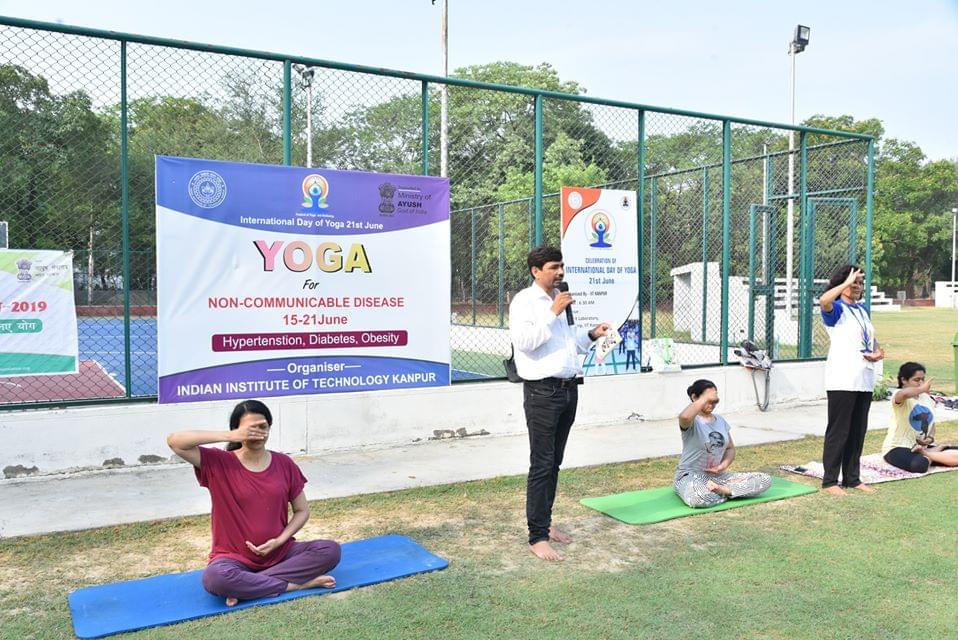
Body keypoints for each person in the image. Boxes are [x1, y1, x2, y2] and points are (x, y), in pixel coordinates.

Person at [167, 399, 341, 606]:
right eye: (250, 429)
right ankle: (295, 585)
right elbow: (175, 441)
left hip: (282, 553)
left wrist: (279, 540)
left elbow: (302, 510)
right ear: (237, 431)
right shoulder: (219, 463)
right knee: (216, 578)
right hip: (234, 559)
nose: (258, 433)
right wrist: (230, 436)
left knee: (330, 550)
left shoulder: (284, 463)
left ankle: (250, 586)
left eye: (263, 427)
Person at [509, 245, 609, 561]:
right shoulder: (525, 302)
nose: (560, 273)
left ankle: (547, 524)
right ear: (536, 271)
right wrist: (552, 313)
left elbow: (569, 344)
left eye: (562, 267)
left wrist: (592, 334)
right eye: (554, 267)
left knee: (555, 462)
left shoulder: (559, 300)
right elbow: (525, 343)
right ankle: (537, 536)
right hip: (542, 393)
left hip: (568, 390)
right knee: (541, 463)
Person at [818, 264, 884, 495]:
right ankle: (829, 481)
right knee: (839, 430)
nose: (857, 286)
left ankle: (852, 478)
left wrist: (877, 352)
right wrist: (845, 283)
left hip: (863, 378)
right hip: (842, 379)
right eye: (853, 282)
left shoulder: (862, 310)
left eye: (859, 283)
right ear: (842, 283)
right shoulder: (836, 309)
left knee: (857, 430)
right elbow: (823, 301)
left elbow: (870, 337)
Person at [674, 379, 772, 507]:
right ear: (694, 397)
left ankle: (724, 491)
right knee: (697, 497)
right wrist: (705, 398)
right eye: (708, 400)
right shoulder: (693, 421)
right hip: (690, 477)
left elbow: (730, 449)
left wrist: (721, 467)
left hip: (717, 478)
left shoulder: (720, 420)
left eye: (714, 399)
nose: (713, 403)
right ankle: (732, 493)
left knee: (764, 479)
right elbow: (684, 417)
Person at [881, 362, 958, 472]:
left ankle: (927, 454)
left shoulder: (927, 399)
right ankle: (930, 454)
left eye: (923, 379)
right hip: (897, 447)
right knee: (919, 464)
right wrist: (922, 389)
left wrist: (929, 439)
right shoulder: (899, 395)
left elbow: (932, 425)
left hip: (921, 447)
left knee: (928, 458)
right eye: (917, 380)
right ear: (904, 380)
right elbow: (904, 394)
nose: (921, 383)